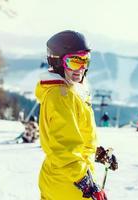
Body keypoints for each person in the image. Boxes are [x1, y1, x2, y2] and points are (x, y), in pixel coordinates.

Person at [35, 30, 107, 200]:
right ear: (58, 62)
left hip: (63, 180)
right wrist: (84, 179)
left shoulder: (71, 91)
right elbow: (64, 148)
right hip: (68, 186)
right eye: (74, 62)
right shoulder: (61, 96)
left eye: (85, 61)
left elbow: (75, 135)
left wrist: (94, 151)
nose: (81, 68)